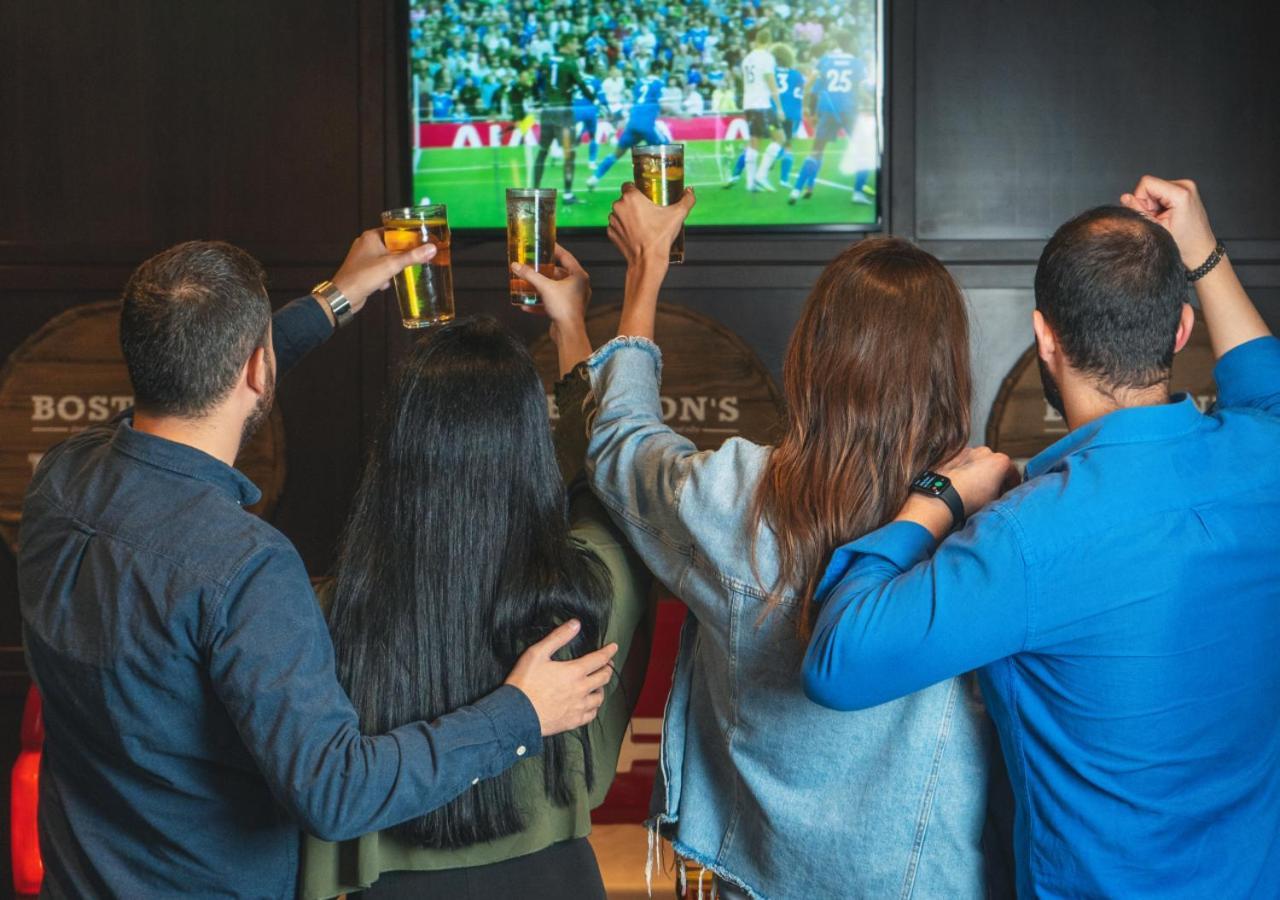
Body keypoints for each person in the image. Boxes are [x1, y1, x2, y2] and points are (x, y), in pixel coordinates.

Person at [18, 236, 617, 898]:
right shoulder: (244, 566)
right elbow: (335, 793)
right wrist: (517, 714)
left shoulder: (63, 479)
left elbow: (198, 368)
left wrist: (337, 299)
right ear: (257, 369)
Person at [803, 177, 1280, 898]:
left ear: (1045, 338)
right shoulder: (1264, 460)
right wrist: (1203, 252)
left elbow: (837, 661)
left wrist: (936, 498)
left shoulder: (1025, 536)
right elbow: (1264, 383)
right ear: (1182, 330)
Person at [570, 186, 995, 898]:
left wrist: (646, 266)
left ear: (812, 356)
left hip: (756, 876)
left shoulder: (734, 495)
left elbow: (619, 443)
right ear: (949, 370)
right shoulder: (990, 517)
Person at [300, 263, 654, 899]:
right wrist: (572, 322)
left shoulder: (327, 612)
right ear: (528, 448)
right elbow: (607, 472)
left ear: (398, 451)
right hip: (555, 882)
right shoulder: (590, 589)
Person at [789, 31, 868, 205]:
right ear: (850, 43)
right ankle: (858, 192)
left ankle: (796, 190)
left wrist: (809, 109)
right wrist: (873, 102)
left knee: (816, 150)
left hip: (828, 109)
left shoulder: (825, 60)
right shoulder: (857, 63)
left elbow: (812, 86)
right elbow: (861, 89)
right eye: (855, 42)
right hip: (848, 110)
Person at [585, 62, 668, 190]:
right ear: (660, 71)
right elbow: (663, 104)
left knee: (616, 154)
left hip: (632, 123)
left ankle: (594, 178)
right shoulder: (659, 83)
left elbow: (635, 98)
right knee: (666, 150)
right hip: (647, 125)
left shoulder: (640, 82)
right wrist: (680, 113)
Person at [533, 34, 594, 204]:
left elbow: (536, 82)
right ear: (567, 44)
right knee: (569, 154)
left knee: (542, 152)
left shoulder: (546, 60)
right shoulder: (569, 63)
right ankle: (567, 195)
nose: (577, 47)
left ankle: (535, 192)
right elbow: (581, 84)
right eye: (575, 43)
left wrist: (539, 98)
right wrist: (594, 99)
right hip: (563, 114)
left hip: (547, 111)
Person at [725, 27, 786, 192]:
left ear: (757, 40)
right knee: (780, 138)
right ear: (769, 41)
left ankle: (751, 183)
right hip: (762, 105)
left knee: (753, 142)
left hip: (749, 105)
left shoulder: (748, 59)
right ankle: (761, 176)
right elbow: (770, 81)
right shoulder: (766, 57)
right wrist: (779, 107)